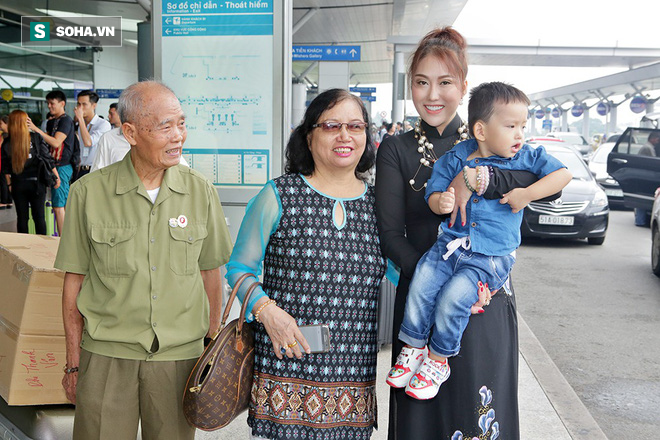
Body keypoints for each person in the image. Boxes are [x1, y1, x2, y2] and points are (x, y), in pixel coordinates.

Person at [375, 26, 561, 440]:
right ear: (410, 87)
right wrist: (431, 280)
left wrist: (474, 177)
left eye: (445, 83)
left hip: (481, 298)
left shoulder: (495, 138)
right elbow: (389, 233)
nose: (432, 94)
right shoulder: (396, 148)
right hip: (420, 298)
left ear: (463, 87)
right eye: (421, 83)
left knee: (476, 414)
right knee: (419, 423)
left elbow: (540, 185)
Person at [53, 80, 232, 440]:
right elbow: (75, 282)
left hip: (179, 359)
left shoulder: (201, 192)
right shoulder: (87, 193)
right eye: (165, 127)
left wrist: (211, 348)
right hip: (106, 357)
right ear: (131, 133)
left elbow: (211, 273)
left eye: (181, 124)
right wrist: (74, 364)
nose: (178, 136)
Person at [386, 82, 571, 400]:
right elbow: (434, 192)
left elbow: (562, 176)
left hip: (490, 255)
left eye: (522, 126)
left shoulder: (527, 157)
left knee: (453, 298)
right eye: (511, 126)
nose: (519, 135)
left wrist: (526, 194)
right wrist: (439, 203)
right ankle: (414, 347)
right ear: (481, 130)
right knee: (421, 283)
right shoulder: (455, 157)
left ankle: (439, 358)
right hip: (450, 246)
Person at [225, 88, 385, 440]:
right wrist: (267, 311)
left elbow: (407, 272)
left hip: (352, 392)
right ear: (308, 136)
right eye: (331, 125)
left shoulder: (380, 206)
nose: (345, 135)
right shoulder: (278, 195)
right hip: (285, 381)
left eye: (356, 126)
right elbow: (239, 268)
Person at [1, 110, 60, 234]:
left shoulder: (7, 142)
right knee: (39, 217)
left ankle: (24, 247)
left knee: (22, 218)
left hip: (18, 184)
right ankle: (42, 245)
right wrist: (56, 176)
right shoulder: (35, 138)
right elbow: (47, 159)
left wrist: (10, 185)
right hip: (37, 184)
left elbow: (6, 168)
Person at [27, 90, 76, 235]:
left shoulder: (66, 120)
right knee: (62, 205)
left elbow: (56, 142)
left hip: (61, 166)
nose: (49, 106)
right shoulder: (52, 122)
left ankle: (62, 241)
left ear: (62, 104)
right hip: (56, 166)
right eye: (48, 103)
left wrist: (36, 129)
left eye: (52, 103)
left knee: (58, 206)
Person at [72, 90, 111, 182]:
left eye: (84, 104)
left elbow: (88, 142)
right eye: (78, 104)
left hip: (96, 171)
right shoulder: (82, 125)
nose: (80, 108)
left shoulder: (103, 124)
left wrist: (80, 119)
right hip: (82, 170)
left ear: (94, 105)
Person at [0, 115, 12, 210]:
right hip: (5, 162)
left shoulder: (5, 136)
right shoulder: (9, 135)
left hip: (3, 162)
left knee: (3, 181)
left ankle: (4, 201)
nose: (0, 126)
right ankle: (8, 201)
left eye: (1, 123)